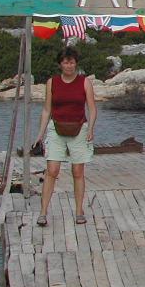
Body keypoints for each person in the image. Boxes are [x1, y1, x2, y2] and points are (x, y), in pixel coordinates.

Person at [34, 46, 97, 227]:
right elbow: (47, 109)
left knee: (78, 171)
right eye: (65, 62)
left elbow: (92, 109)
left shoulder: (84, 82)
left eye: (71, 62)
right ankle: (43, 212)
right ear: (60, 64)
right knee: (52, 170)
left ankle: (79, 211)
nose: (68, 66)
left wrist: (91, 128)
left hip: (79, 128)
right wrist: (40, 134)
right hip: (56, 128)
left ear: (76, 63)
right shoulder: (51, 82)